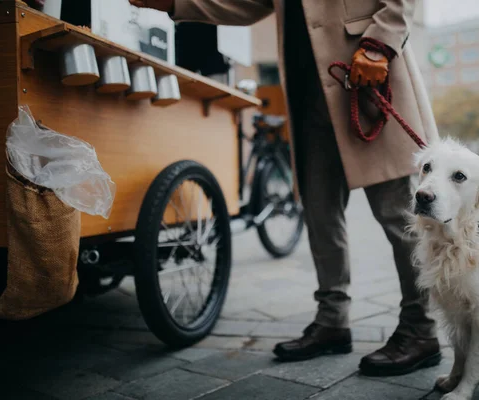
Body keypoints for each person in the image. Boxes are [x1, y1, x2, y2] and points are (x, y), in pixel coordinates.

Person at [131, 0, 441, 376]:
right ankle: (332, 321)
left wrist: (380, 43)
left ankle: (420, 330)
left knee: (399, 216)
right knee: (320, 214)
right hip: (309, 90)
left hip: (367, 77)